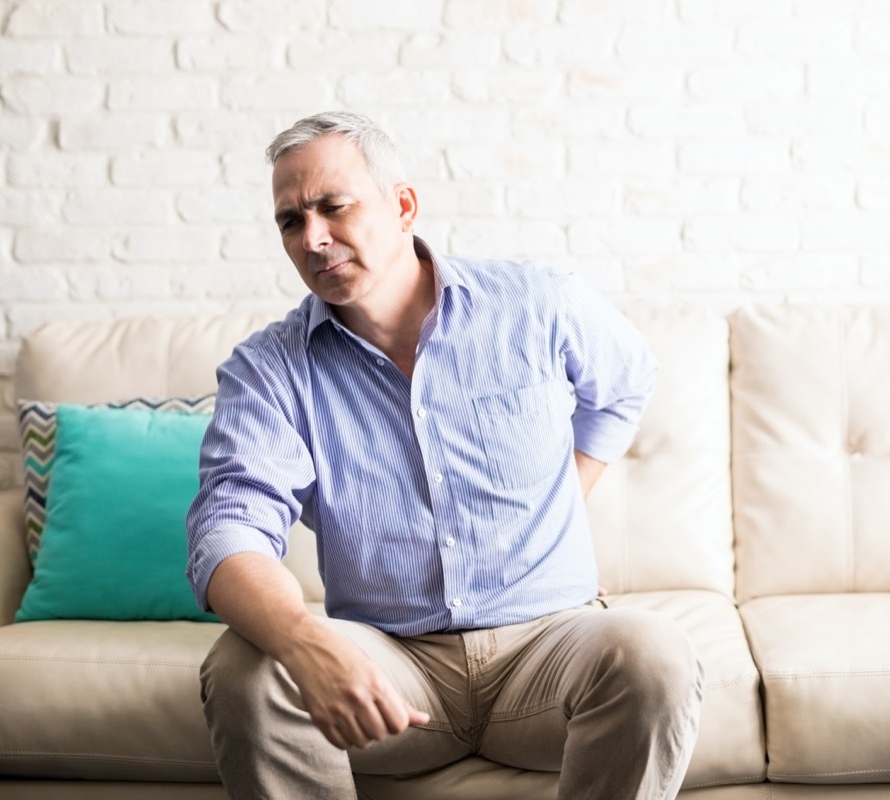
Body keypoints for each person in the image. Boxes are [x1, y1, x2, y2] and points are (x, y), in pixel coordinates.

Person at [185, 111, 704, 800]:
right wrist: (305, 642)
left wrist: (565, 502)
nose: (313, 239)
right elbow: (229, 529)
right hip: (390, 667)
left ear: (402, 206)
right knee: (243, 668)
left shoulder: (536, 306)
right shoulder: (269, 370)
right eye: (290, 221)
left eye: (333, 207)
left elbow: (625, 382)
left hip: (548, 650)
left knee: (654, 655)